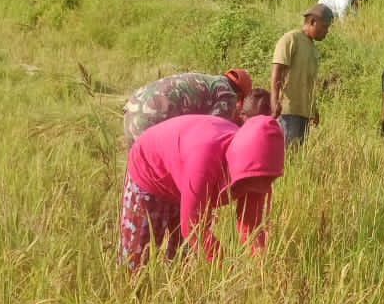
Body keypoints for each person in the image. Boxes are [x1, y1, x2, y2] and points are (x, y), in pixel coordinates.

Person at [119, 114, 285, 271]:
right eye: (253, 181)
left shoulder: (258, 170)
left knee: (182, 259)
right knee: (137, 259)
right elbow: (192, 226)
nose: (258, 188)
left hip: (186, 177)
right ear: (239, 163)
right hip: (149, 169)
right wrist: (228, 268)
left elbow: (250, 226)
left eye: (267, 180)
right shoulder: (204, 158)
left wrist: (261, 270)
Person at [122, 69, 253, 146]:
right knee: (159, 174)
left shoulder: (208, 81)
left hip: (132, 108)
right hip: (150, 117)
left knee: (135, 175)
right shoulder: (228, 95)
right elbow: (209, 131)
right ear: (239, 94)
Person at [271, 3, 333, 147]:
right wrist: (274, 101)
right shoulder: (291, 39)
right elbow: (277, 71)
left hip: (303, 113)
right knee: (288, 154)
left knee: (297, 154)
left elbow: (307, 82)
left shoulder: (311, 47)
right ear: (312, 22)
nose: (326, 31)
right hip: (288, 110)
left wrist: (313, 109)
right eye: (324, 26)